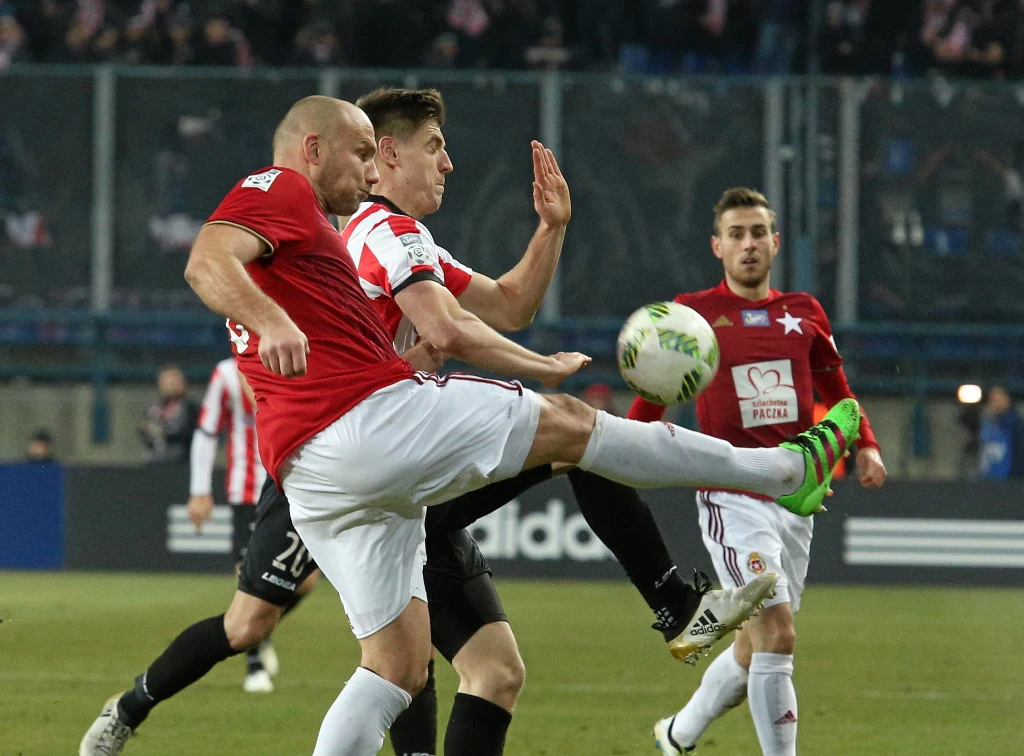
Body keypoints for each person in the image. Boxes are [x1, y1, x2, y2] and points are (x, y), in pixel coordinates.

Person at [84, 96, 858, 756]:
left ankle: (680, 602)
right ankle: (778, 475)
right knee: (571, 425)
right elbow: (218, 264)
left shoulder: (345, 237)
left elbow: (501, 305)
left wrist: (550, 229)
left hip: (325, 471)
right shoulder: (319, 203)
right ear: (340, 152)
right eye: (427, 148)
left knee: (410, 667)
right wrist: (537, 365)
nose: (446, 163)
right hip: (370, 433)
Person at [633, 187, 886, 756]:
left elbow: (837, 392)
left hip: (796, 496)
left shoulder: (805, 312)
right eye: (736, 234)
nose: (747, 244)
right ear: (717, 246)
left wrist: (865, 445)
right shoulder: (692, 314)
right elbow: (656, 390)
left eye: (757, 233)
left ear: (775, 242)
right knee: (778, 633)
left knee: (754, 648)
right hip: (732, 493)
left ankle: (676, 735)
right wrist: (617, 450)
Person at [187, 357, 277, 693]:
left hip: (288, 486)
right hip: (246, 490)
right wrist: (199, 491)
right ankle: (254, 665)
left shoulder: (293, 356)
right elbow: (207, 431)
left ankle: (260, 628)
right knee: (249, 573)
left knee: (305, 582)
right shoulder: (226, 374)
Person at [137, 364, 200, 464]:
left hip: (182, 463)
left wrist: (164, 433)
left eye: (176, 380)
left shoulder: (191, 408)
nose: (173, 385)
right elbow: (143, 429)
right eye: (168, 381)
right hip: (155, 463)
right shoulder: (153, 408)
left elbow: (190, 433)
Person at [978, 385, 1024, 479]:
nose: (995, 404)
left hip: (1011, 479)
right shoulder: (988, 425)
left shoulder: (1015, 425)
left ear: (1007, 400)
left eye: (998, 400)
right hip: (990, 479)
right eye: (992, 400)